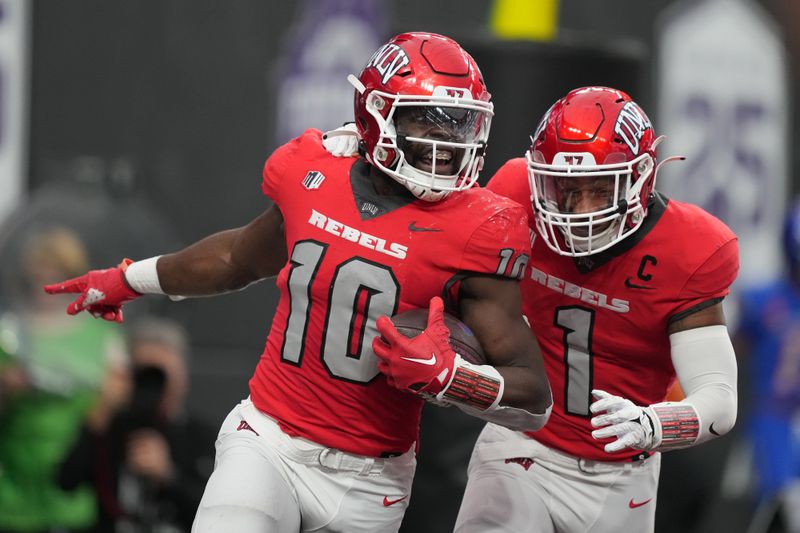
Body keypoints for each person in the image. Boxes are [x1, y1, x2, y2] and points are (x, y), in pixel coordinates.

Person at [45, 32, 552, 533]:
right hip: (269, 441)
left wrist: (453, 378)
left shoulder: (478, 229)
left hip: (371, 479)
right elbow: (236, 258)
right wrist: (128, 278)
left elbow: (535, 401)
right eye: (425, 122)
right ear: (376, 114)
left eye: (460, 128)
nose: (444, 146)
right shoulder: (315, 172)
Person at [454, 86, 740, 533]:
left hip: (622, 474)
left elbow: (719, 400)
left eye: (599, 189)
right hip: (520, 444)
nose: (580, 210)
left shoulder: (690, 249)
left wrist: (653, 424)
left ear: (641, 178)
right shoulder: (515, 192)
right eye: (565, 189)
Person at [0, 226, 126, 532]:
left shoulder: (101, 335)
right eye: (39, 274)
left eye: (56, 274)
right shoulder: (11, 332)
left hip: (75, 481)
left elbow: (118, 400)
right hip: (16, 484)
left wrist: (106, 403)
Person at [59, 317, 216, 533]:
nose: (153, 385)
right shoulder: (110, 427)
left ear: (181, 375)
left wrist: (167, 476)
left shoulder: (202, 437)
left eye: (161, 374)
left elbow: (217, 514)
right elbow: (66, 481)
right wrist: (101, 411)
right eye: (145, 373)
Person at [735, 202, 800, 533]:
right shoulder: (763, 299)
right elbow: (731, 354)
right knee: (775, 506)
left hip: (781, 416)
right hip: (772, 416)